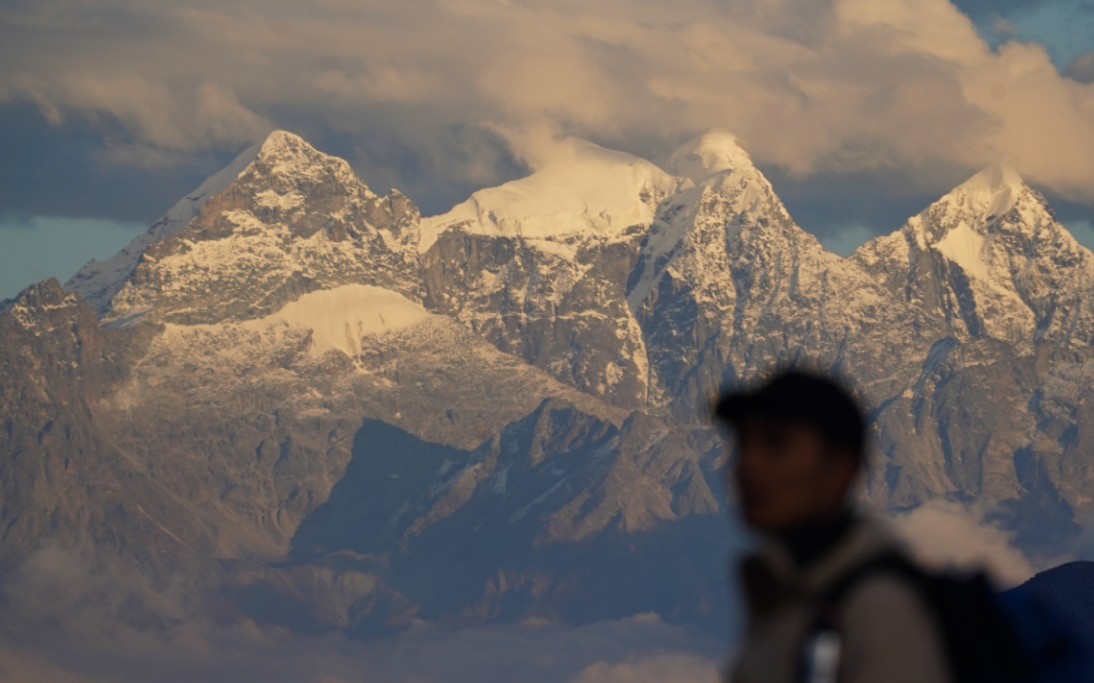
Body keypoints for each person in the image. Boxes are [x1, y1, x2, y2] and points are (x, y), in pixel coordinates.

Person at [714, 369, 951, 683]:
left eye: (776, 443)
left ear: (842, 467)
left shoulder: (879, 609)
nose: (749, 463)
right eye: (744, 443)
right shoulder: (791, 592)